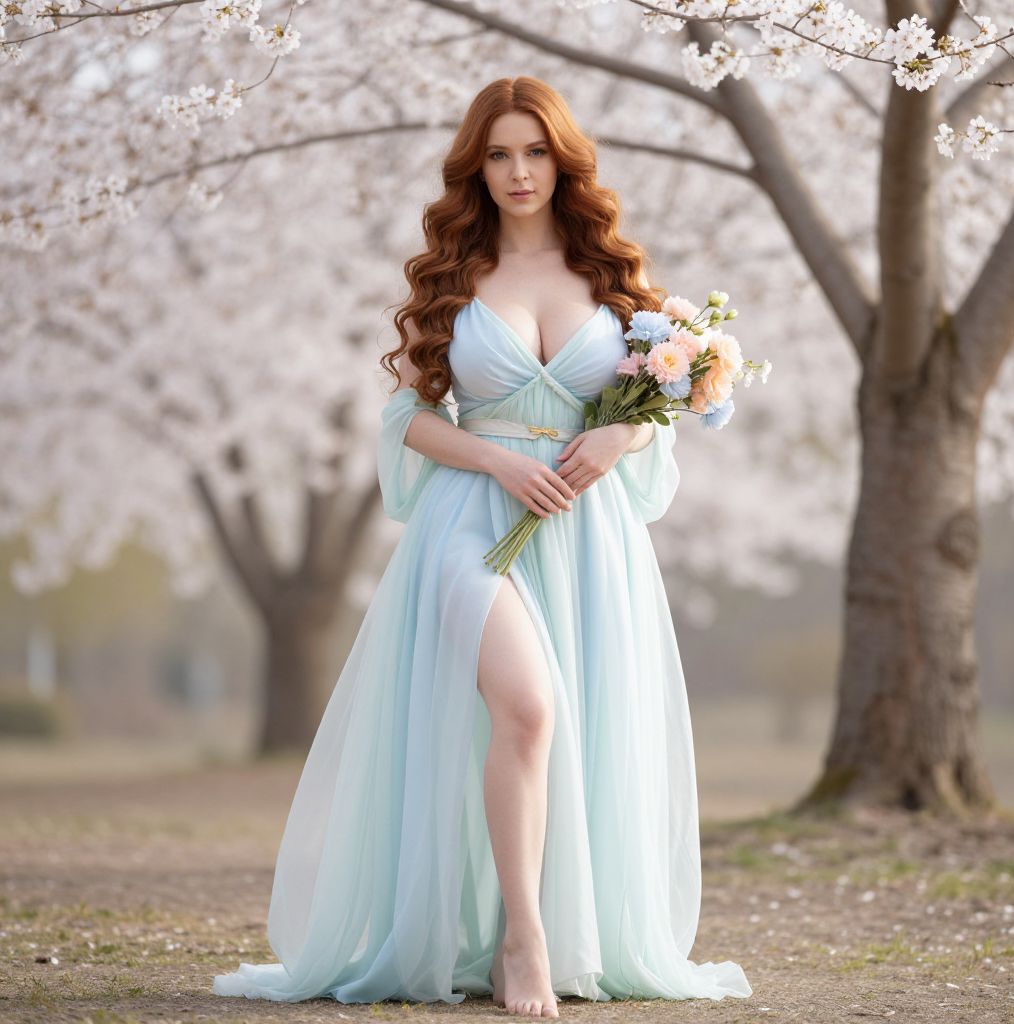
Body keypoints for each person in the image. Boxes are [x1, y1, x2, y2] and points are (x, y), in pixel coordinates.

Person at [212, 75, 752, 1016]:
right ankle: (524, 939)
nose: (518, 171)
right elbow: (405, 423)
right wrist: (499, 464)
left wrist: (622, 433)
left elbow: (662, 405)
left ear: (564, 159)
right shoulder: (456, 275)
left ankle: (541, 926)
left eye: (535, 151)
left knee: (558, 727)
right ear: (477, 165)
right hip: (468, 524)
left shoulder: (612, 283)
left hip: (585, 533)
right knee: (529, 709)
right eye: (498, 153)